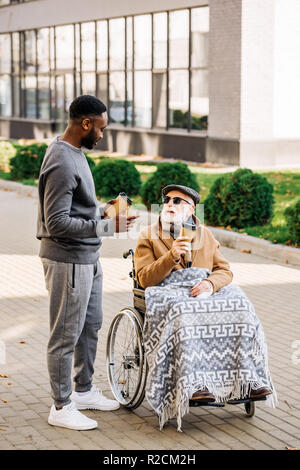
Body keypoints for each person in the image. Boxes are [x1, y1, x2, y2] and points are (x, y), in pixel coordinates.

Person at [134, 184, 276, 430]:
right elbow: (144, 278)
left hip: (202, 290)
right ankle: (194, 383)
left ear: (190, 210)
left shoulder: (205, 234)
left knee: (241, 305)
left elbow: (224, 270)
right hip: (167, 291)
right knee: (185, 311)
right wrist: (171, 257)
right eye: (167, 199)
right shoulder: (149, 234)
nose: (169, 204)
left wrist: (210, 283)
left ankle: (248, 378)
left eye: (177, 201)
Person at [36, 95, 138, 431]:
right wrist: (110, 226)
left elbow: (77, 211)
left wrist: (104, 212)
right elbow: (57, 223)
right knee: (65, 335)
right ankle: (61, 405)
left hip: (87, 258)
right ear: (85, 124)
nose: (102, 134)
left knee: (89, 327)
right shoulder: (62, 161)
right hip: (67, 261)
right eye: (101, 128)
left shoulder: (75, 153)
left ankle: (82, 390)